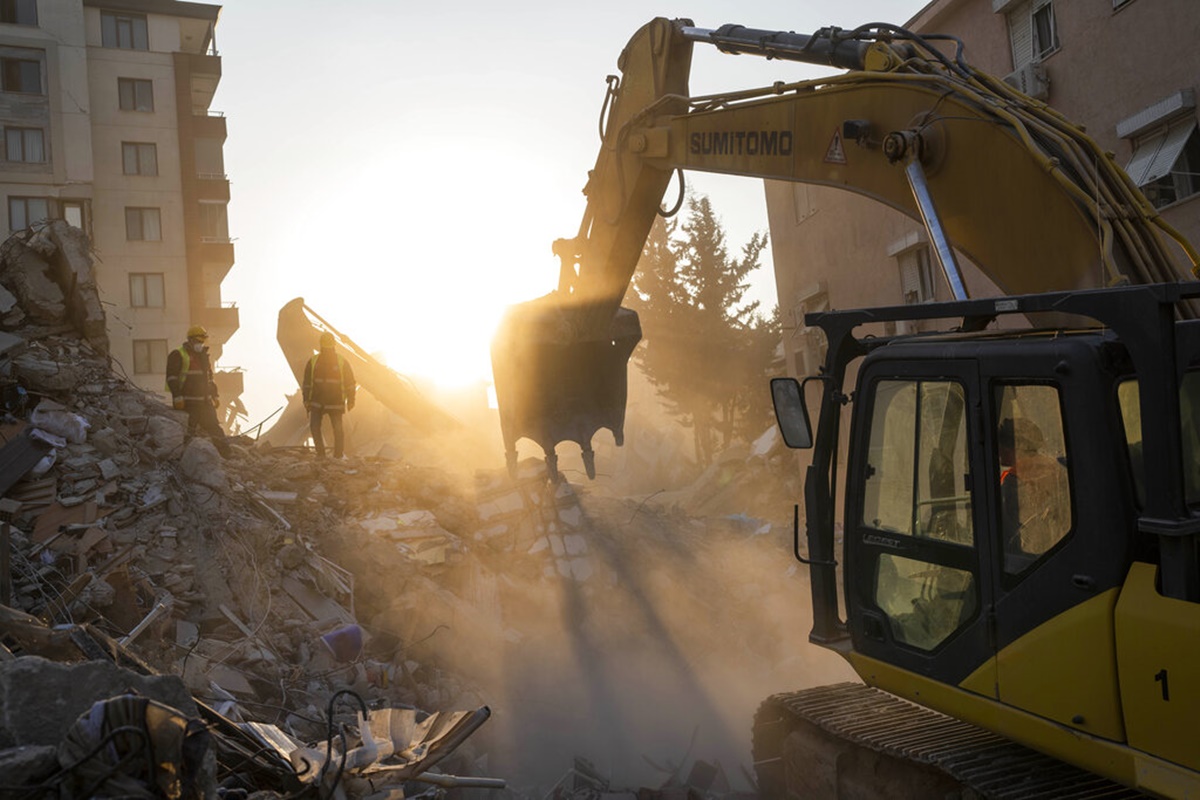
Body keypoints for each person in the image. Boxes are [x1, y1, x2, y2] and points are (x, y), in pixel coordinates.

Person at [165, 325, 230, 457]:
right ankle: (183, 458)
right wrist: (177, 397)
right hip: (188, 403)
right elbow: (172, 378)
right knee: (189, 431)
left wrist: (214, 395)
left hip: (205, 402)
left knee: (214, 428)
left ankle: (226, 454)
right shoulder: (178, 354)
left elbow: (209, 378)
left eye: (202, 341)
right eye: (199, 341)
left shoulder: (204, 357)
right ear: (190, 340)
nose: (201, 344)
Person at [302, 332, 356, 459]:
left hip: (325, 401)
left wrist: (306, 400)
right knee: (336, 429)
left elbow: (307, 384)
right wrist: (351, 399)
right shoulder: (341, 361)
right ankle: (333, 456)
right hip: (329, 401)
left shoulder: (314, 361)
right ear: (334, 344)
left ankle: (326, 455)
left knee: (318, 427)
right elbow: (350, 384)